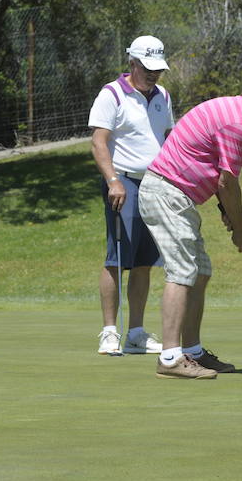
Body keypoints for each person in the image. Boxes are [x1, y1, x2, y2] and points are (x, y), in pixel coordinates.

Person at [138, 74, 242, 379]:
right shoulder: (238, 124)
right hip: (166, 193)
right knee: (182, 271)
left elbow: (213, 169)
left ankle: (193, 351)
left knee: (199, 271)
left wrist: (224, 209)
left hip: (175, 196)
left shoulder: (233, 111)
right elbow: (228, 183)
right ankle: (171, 357)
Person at [89, 35, 174, 355]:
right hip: (122, 182)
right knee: (116, 257)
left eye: (158, 69)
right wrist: (113, 181)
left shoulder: (163, 96)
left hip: (155, 184)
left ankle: (135, 333)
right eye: (148, 68)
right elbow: (99, 142)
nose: (154, 75)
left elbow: (168, 137)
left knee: (144, 261)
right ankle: (109, 331)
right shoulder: (111, 94)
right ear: (132, 63)